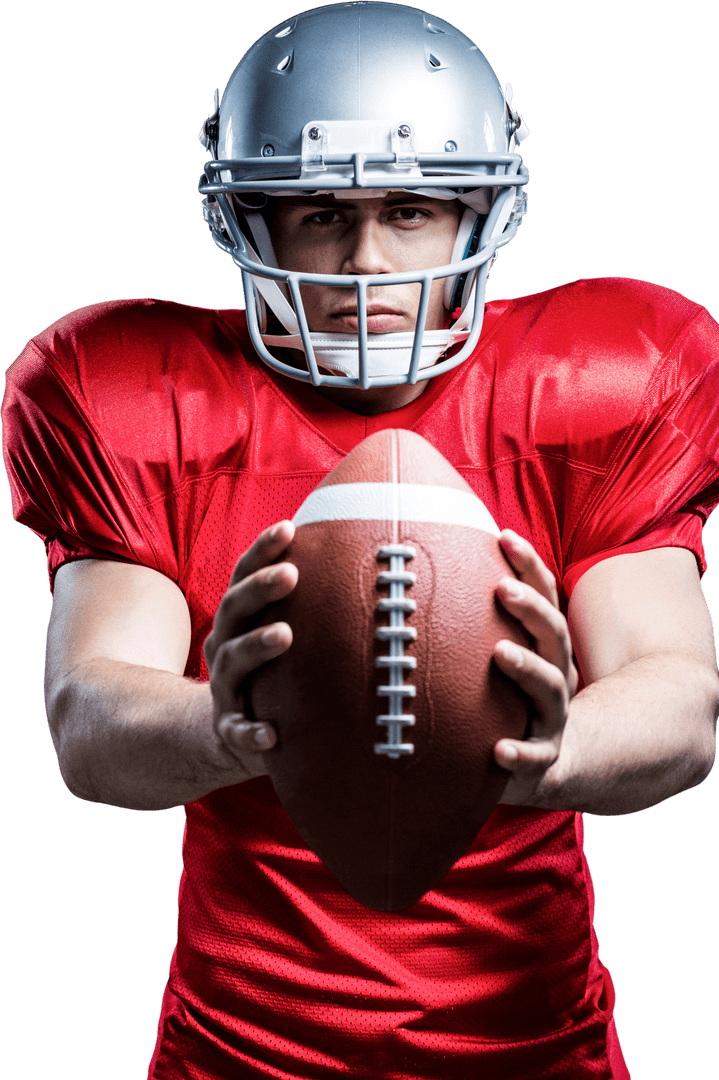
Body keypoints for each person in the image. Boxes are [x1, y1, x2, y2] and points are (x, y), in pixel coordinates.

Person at [3, 3, 717, 1078]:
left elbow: (679, 694)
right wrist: (223, 725)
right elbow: (87, 717)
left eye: (412, 209)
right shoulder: (140, 396)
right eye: (320, 213)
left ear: (480, 210)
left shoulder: (594, 385)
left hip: (531, 1043)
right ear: (251, 219)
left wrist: (546, 750)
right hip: (239, 1050)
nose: (367, 261)